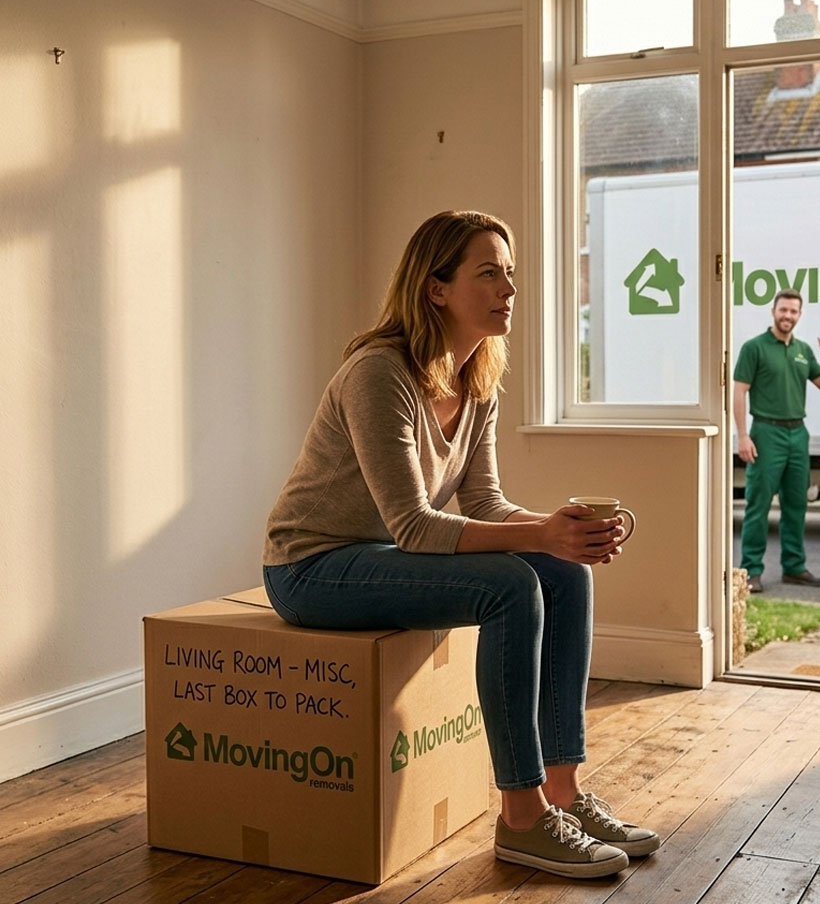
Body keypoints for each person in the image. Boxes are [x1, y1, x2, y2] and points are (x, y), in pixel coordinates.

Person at [262, 210, 660, 880]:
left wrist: (562, 531)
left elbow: (485, 505)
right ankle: (523, 819)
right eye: (488, 273)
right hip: (311, 567)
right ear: (436, 287)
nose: (508, 287)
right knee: (510, 585)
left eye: (509, 273)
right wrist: (539, 536)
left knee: (562, 575)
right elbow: (413, 525)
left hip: (386, 562)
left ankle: (562, 790)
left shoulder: (477, 377)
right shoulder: (378, 374)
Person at [733, 288, 820, 594]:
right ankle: (751, 570)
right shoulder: (754, 348)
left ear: (799, 315)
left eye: (793, 312)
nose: (788, 316)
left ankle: (794, 567)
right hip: (766, 432)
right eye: (783, 310)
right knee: (759, 504)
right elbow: (739, 391)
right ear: (773, 311)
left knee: (797, 504)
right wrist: (743, 435)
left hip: (797, 433)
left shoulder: (803, 350)